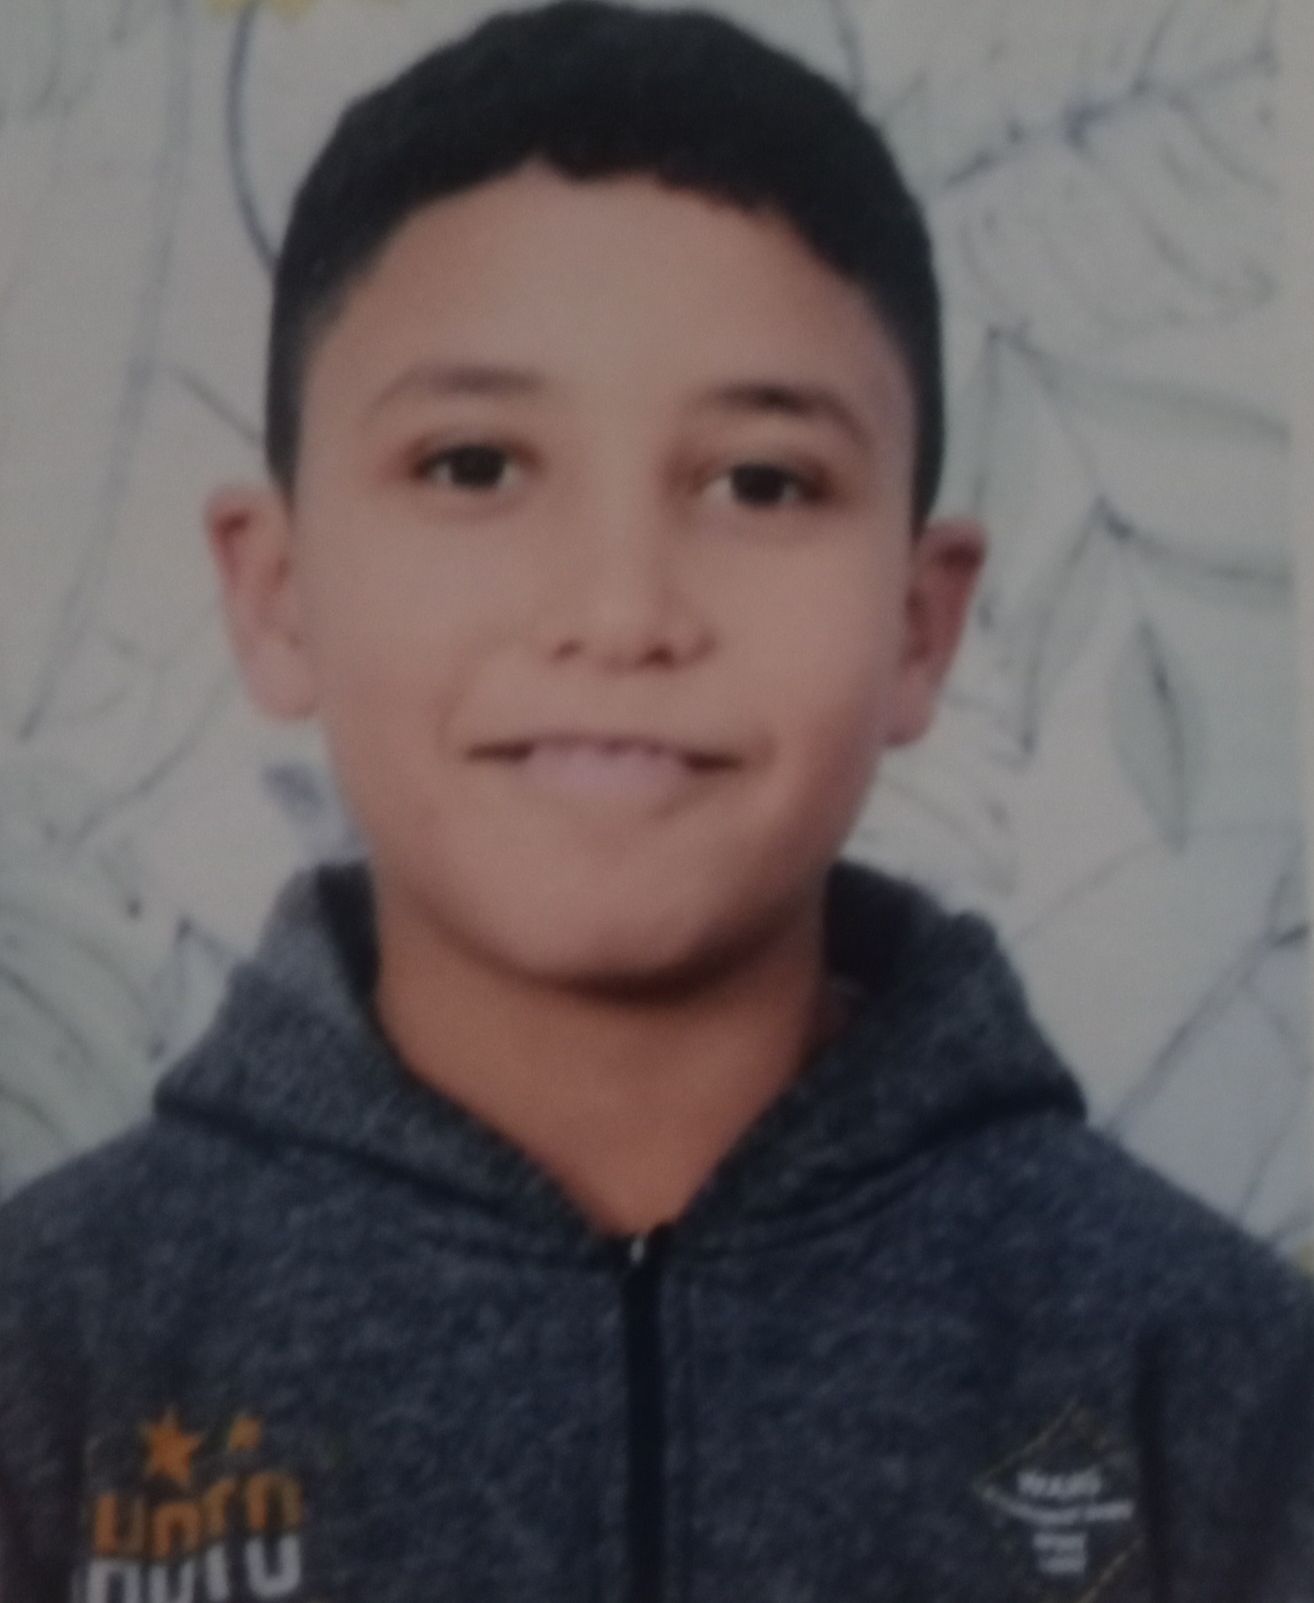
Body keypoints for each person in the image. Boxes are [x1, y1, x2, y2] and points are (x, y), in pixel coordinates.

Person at [2, 4, 1312, 1600]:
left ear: (918, 627)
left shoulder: (1212, 1380)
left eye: (761, 482)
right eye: (472, 466)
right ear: (275, 592)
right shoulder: (48, 1358)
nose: (619, 612)